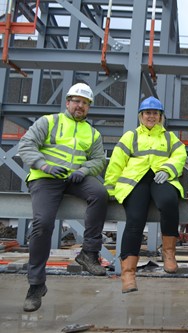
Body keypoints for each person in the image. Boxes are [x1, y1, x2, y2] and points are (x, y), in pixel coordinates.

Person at [18, 83, 108, 312]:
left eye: (85, 103)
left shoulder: (92, 133)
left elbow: (98, 160)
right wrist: (44, 165)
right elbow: (26, 145)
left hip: (74, 178)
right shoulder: (49, 122)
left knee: (99, 193)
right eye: (77, 101)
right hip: (45, 178)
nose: (80, 106)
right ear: (67, 102)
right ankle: (36, 285)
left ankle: (89, 253)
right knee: (42, 224)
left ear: (89, 108)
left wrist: (83, 171)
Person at [104, 96, 187, 293]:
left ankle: (168, 253)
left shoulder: (169, 137)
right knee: (135, 219)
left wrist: (167, 169)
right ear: (141, 116)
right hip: (135, 182)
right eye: (148, 113)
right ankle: (128, 273)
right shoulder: (130, 136)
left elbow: (180, 155)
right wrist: (110, 187)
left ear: (160, 117)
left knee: (168, 202)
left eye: (155, 113)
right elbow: (116, 161)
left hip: (161, 178)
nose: (152, 116)